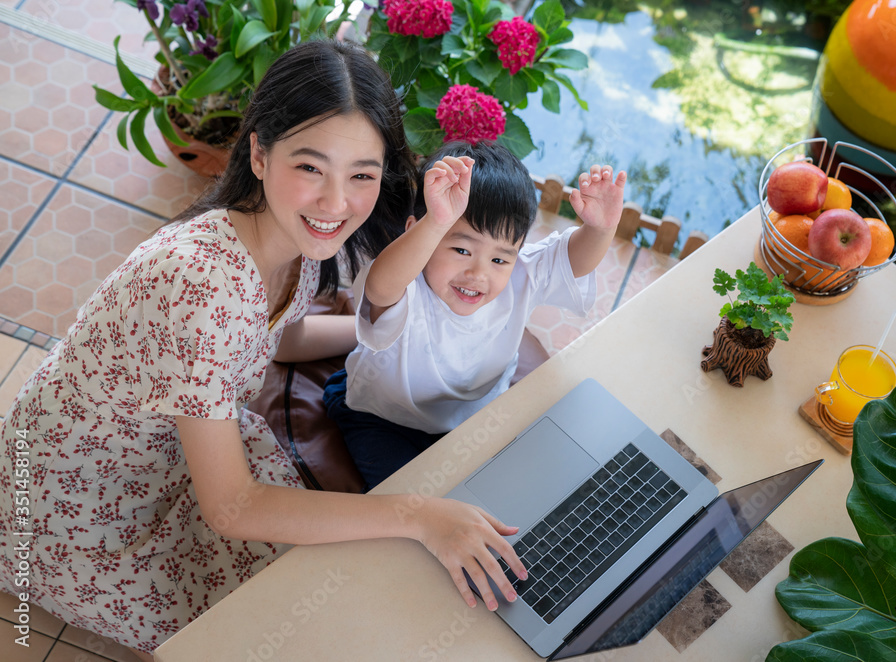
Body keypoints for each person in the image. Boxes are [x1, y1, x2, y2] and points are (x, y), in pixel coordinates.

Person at [0, 40, 527, 660]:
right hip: (84, 514)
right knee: (292, 628)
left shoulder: (284, 243)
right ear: (257, 151)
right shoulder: (196, 285)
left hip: (181, 450)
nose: (336, 204)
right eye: (310, 167)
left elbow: (280, 337)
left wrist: (392, 335)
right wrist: (419, 514)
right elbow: (231, 506)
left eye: (361, 175)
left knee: (345, 583)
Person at [324, 141, 627, 490]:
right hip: (383, 419)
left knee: (516, 488)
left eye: (499, 258)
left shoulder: (521, 275)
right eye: (462, 249)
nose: (478, 273)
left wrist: (600, 229)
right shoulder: (406, 282)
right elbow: (379, 289)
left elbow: (573, 262)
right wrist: (437, 220)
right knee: (415, 503)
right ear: (418, 232)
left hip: (474, 421)